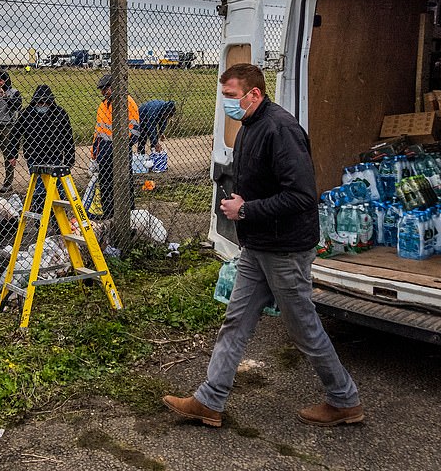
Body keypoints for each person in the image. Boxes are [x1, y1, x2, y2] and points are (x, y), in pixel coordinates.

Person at [162, 63, 362, 428]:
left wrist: (246, 208)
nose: (226, 104)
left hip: (285, 248)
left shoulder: (281, 129)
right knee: (236, 321)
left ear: (254, 93)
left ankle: (344, 400)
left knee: (303, 327)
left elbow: (302, 196)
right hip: (258, 245)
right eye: (223, 96)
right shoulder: (249, 126)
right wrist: (244, 201)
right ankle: (210, 399)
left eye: (231, 96)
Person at [12, 85, 76, 212]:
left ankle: (57, 219)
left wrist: (69, 159)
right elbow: (15, 134)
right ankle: (40, 218)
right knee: (39, 189)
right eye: (39, 102)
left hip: (55, 157)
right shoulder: (27, 113)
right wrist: (12, 154)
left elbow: (68, 137)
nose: (42, 105)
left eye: (45, 102)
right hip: (34, 157)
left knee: (58, 190)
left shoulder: (60, 113)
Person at [91, 74, 139, 219]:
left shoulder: (128, 102)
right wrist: (94, 150)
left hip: (120, 152)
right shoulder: (103, 105)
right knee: (106, 187)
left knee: (124, 187)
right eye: (102, 89)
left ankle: (127, 220)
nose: (104, 92)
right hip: (104, 152)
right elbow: (98, 130)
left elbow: (134, 132)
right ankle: (109, 218)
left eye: (107, 88)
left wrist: (120, 148)